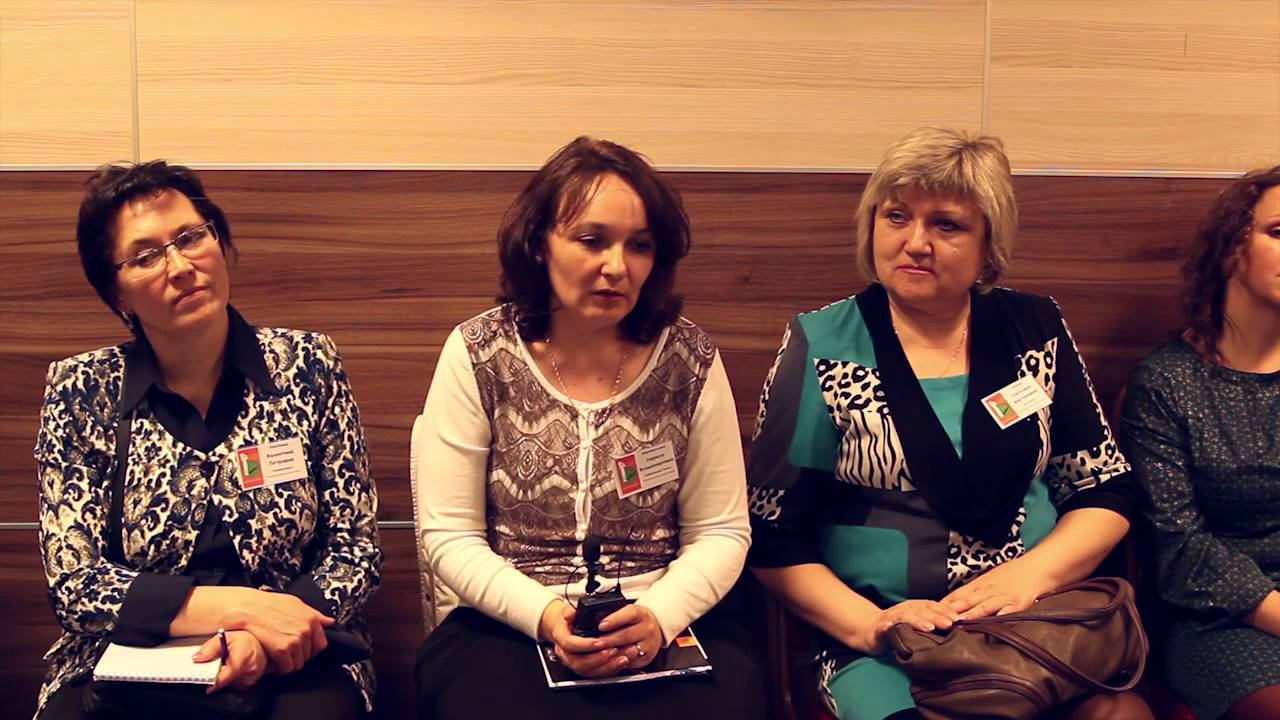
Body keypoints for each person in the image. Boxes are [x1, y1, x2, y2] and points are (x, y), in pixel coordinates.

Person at [745, 127, 1151, 720]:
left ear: (989, 245)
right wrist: (873, 625)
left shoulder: (1033, 328)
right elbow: (771, 533)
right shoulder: (825, 344)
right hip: (890, 645)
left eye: (946, 225)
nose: (915, 242)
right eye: (897, 216)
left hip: (1037, 629)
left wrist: (1030, 577)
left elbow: (1103, 487)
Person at [412, 136, 764, 719]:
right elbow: (450, 536)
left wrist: (658, 617)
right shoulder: (479, 351)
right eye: (591, 240)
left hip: (662, 609)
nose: (617, 267)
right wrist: (548, 616)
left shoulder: (690, 358)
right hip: (512, 619)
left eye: (639, 245)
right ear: (539, 245)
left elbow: (722, 531)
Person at [34, 161, 382, 719]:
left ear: (219, 241)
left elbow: (355, 549)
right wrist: (242, 610)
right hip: (123, 663)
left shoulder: (308, 365)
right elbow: (76, 582)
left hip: (302, 649)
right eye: (146, 256)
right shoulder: (82, 390)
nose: (180, 267)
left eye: (191, 237)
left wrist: (268, 634)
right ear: (116, 294)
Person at [1121, 165, 1280, 720]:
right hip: (1217, 616)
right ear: (1232, 248)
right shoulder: (1167, 383)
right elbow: (1179, 551)